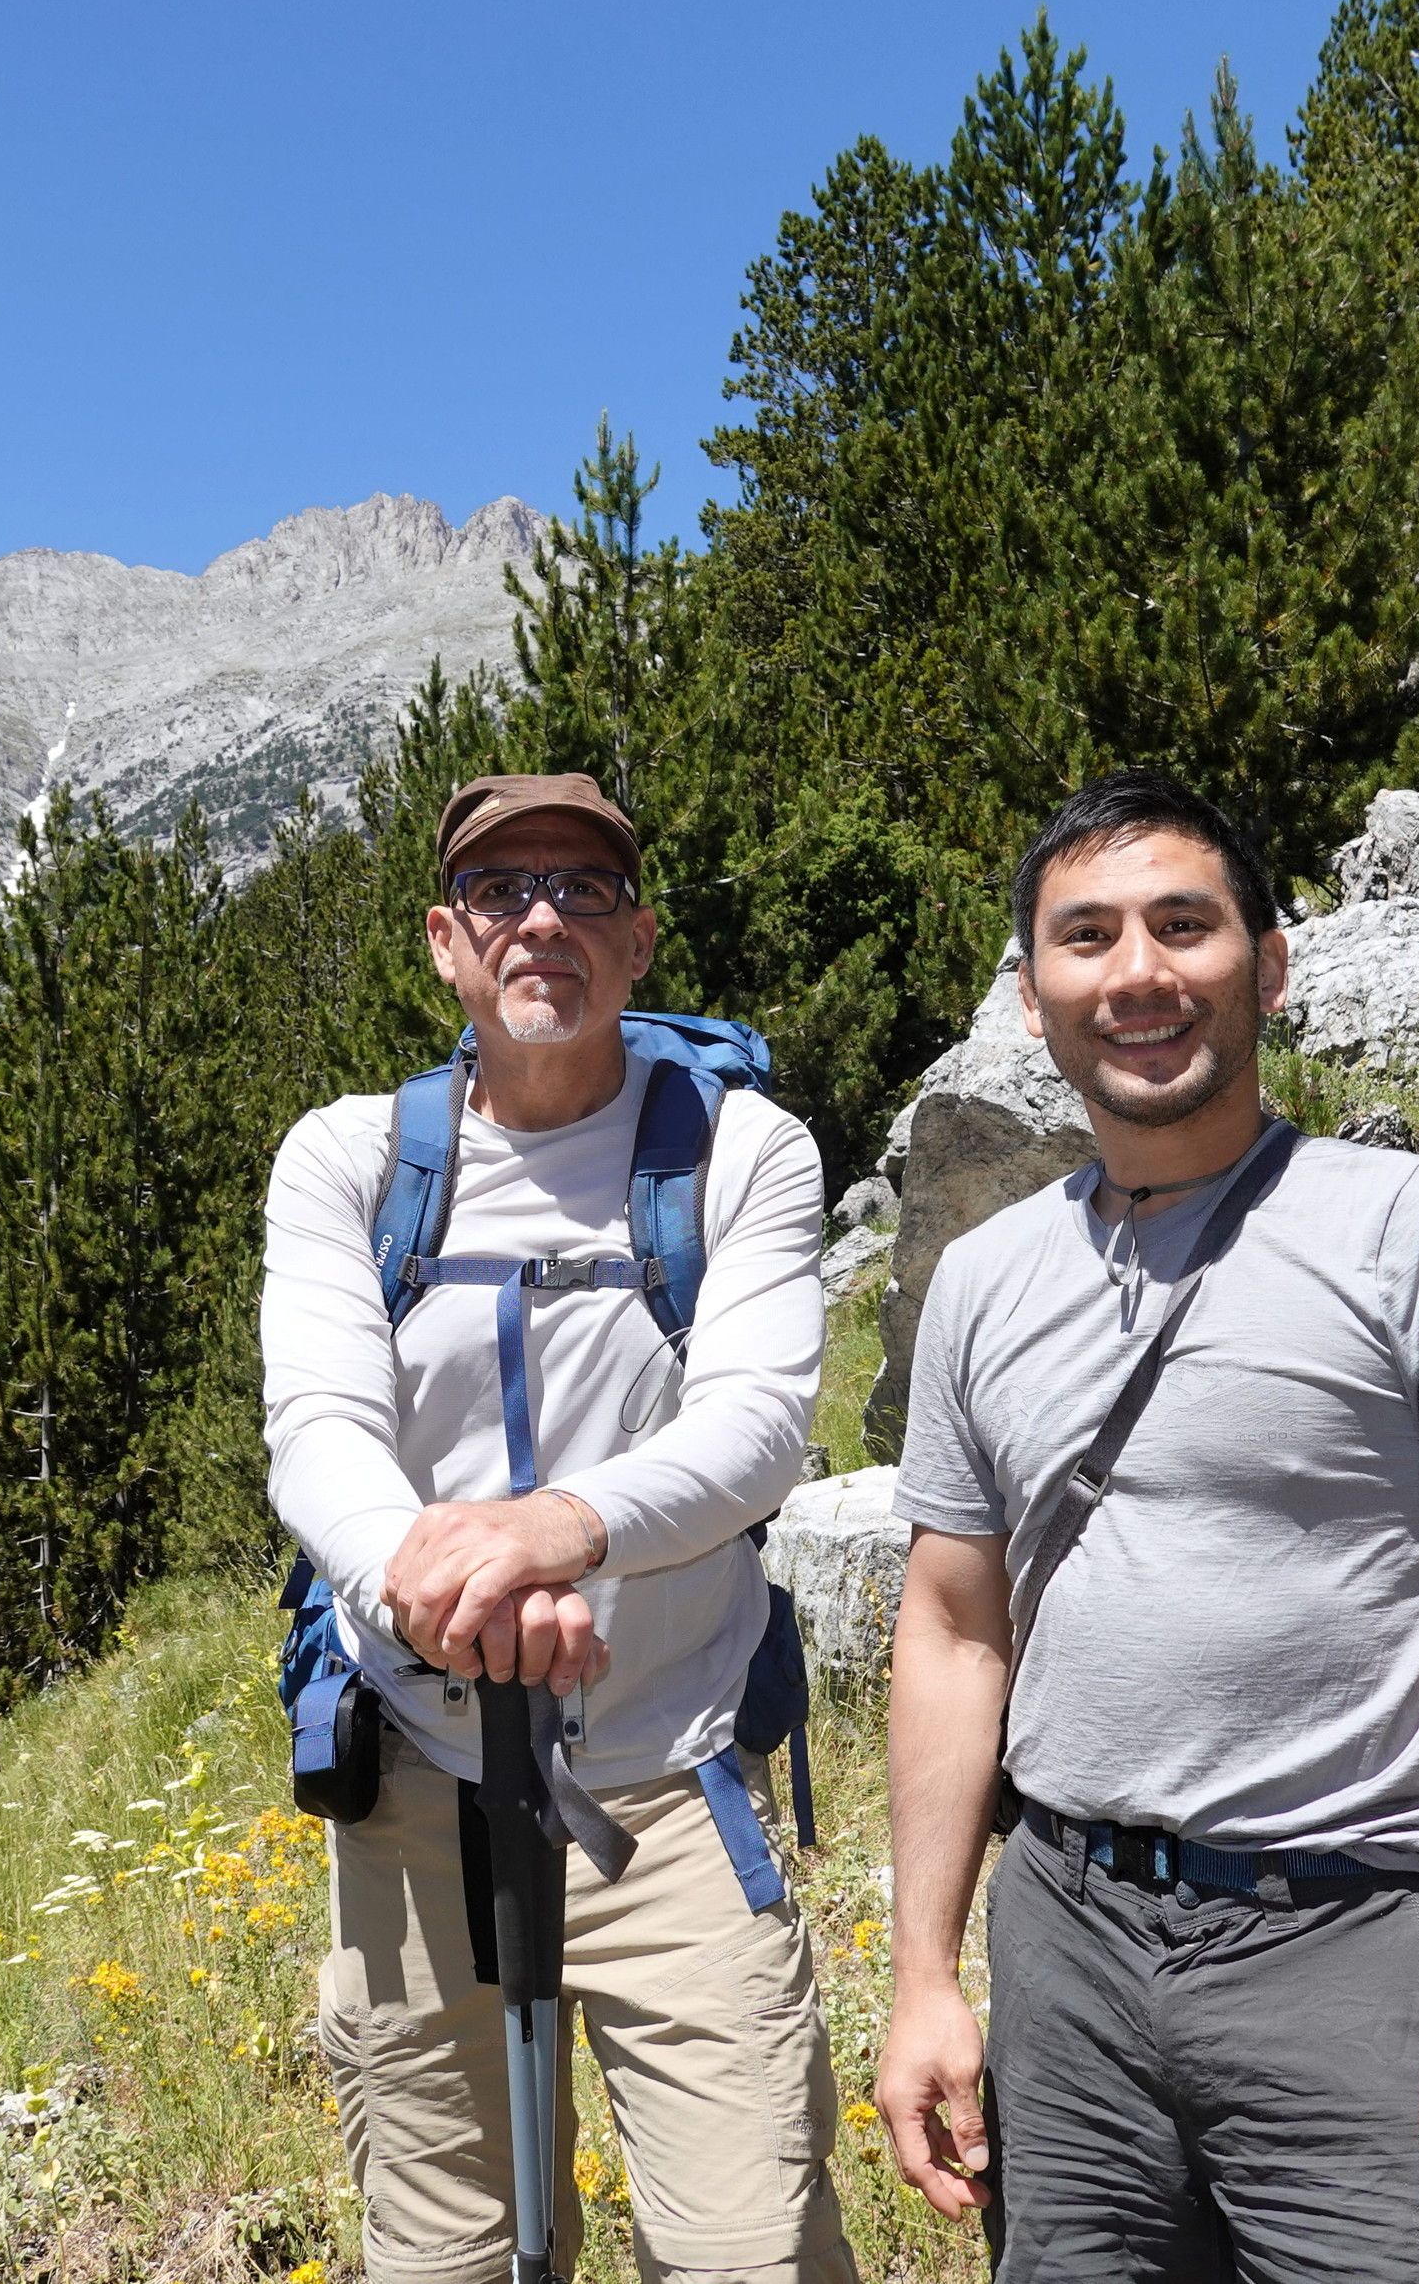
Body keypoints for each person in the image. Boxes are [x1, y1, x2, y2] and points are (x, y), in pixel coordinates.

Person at [873, 770, 1419, 2284]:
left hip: (1350, 1933)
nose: (1136, 973)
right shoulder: (985, 1281)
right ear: (1034, 996)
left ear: (1268, 965)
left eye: (1183, 925)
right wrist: (924, 1975)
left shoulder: (1417, 1232)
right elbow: (951, 1629)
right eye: (1087, 937)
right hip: (1065, 1946)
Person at [261, 770, 858, 2284]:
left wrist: (558, 1530)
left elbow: (754, 1430)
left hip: (672, 1780)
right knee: (446, 2259)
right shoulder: (347, 1159)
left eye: (583, 889)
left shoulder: (743, 1152)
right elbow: (319, 1431)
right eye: (499, 891)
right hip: (421, 1788)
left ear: (638, 940)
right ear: (444, 943)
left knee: (751, 2258)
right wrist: (438, 1592)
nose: (541, 920)